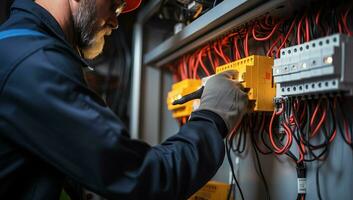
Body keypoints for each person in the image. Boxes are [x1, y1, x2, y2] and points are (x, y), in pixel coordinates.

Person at [0, 0, 248, 199]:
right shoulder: (37, 65)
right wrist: (211, 118)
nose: (116, 21)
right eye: (115, 5)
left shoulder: (15, 44)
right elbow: (143, 179)